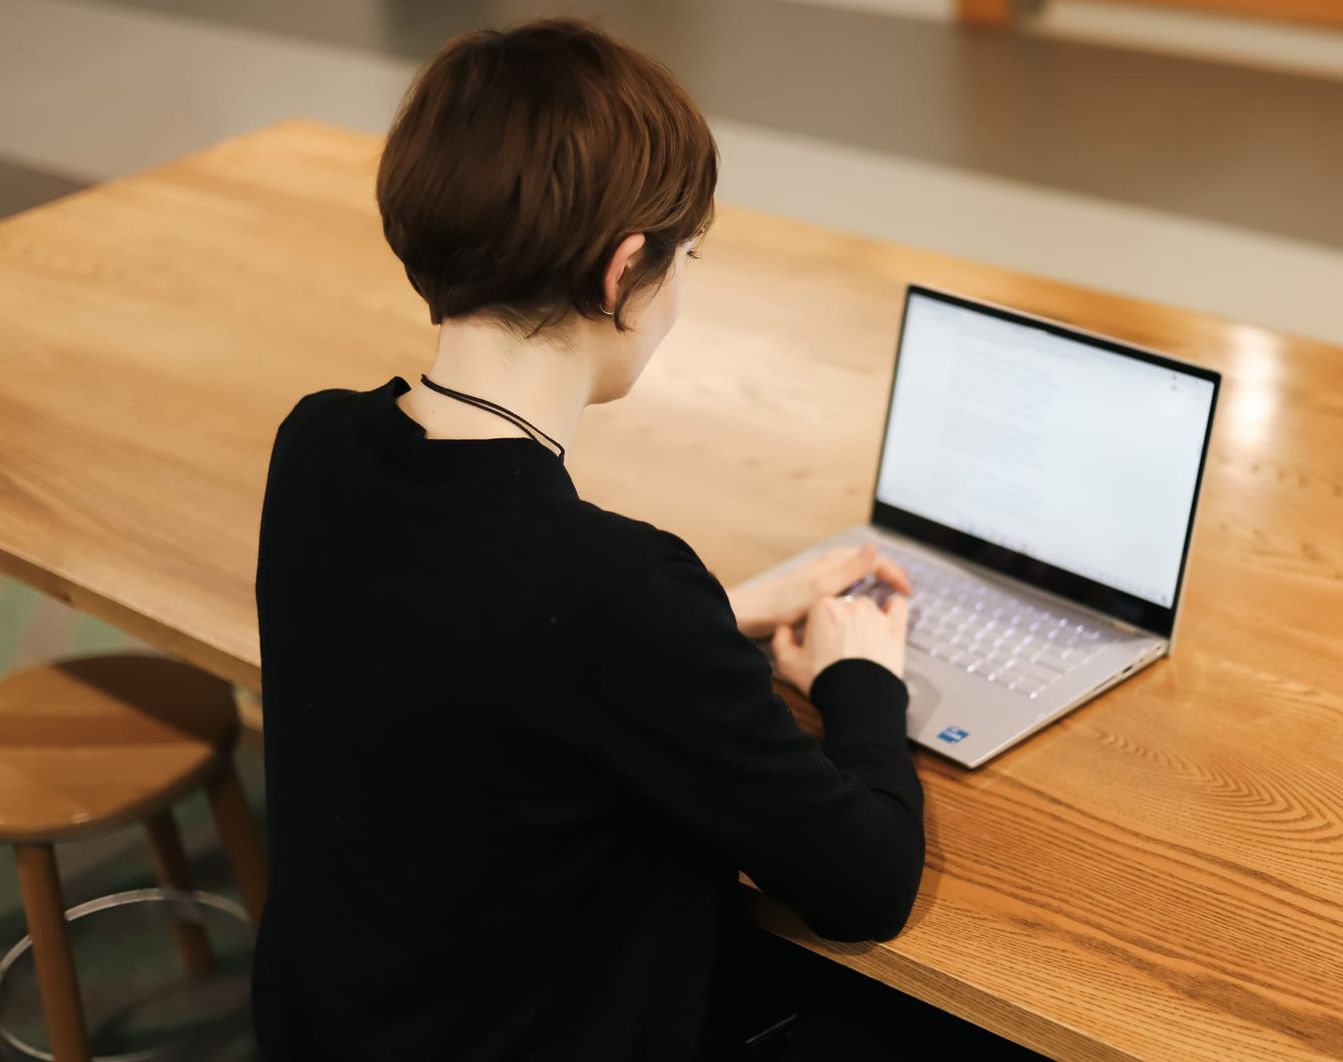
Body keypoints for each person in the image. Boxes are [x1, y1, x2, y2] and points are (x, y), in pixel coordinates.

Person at [252, 18, 924, 1061]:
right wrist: (862, 679)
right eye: (686, 257)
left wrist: (715, 617)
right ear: (622, 275)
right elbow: (865, 886)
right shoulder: (616, 593)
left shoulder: (318, 446)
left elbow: (471, 644)